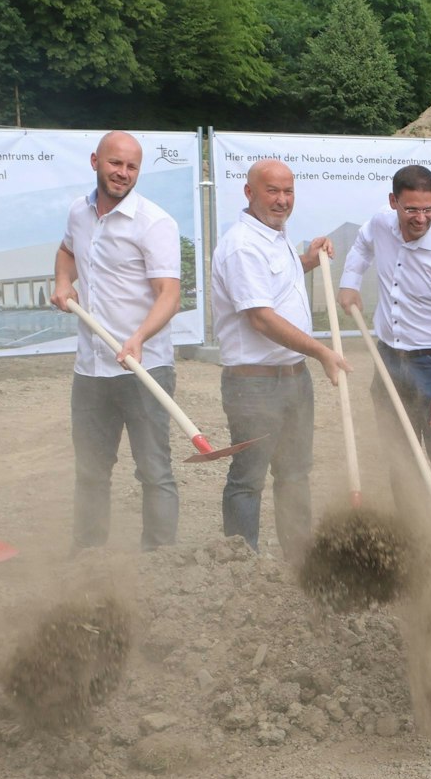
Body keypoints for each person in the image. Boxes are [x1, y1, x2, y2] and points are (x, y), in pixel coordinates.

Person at [210, 158, 350, 557]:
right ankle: (242, 562)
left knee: (294, 473)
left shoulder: (275, 237)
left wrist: (309, 257)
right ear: (249, 193)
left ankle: (299, 557)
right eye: (272, 191)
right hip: (253, 384)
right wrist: (322, 351)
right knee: (248, 476)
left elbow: (278, 283)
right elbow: (261, 318)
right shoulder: (241, 246)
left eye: (288, 191)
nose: (282, 200)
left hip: (292, 378)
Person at [50, 131, 182, 554]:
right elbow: (66, 251)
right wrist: (62, 281)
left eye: (131, 167)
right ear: (95, 162)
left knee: (154, 470)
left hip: (145, 368)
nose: (123, 173)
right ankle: (88, 556)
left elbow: (169, 294)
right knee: (91, 471)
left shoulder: (155, 223)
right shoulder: (78, 213)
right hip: (90, 369)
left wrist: (139, 338)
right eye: (115, 163)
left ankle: (159, 558)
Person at [336, 165, 431, 544]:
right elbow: (362, 245)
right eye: (411, 209)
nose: (420, 219)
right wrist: (350, 281)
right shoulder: (381, 224)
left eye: (428, 210)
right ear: (393, 202)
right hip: (386, 358)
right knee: (400, 456)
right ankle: (414, 537)